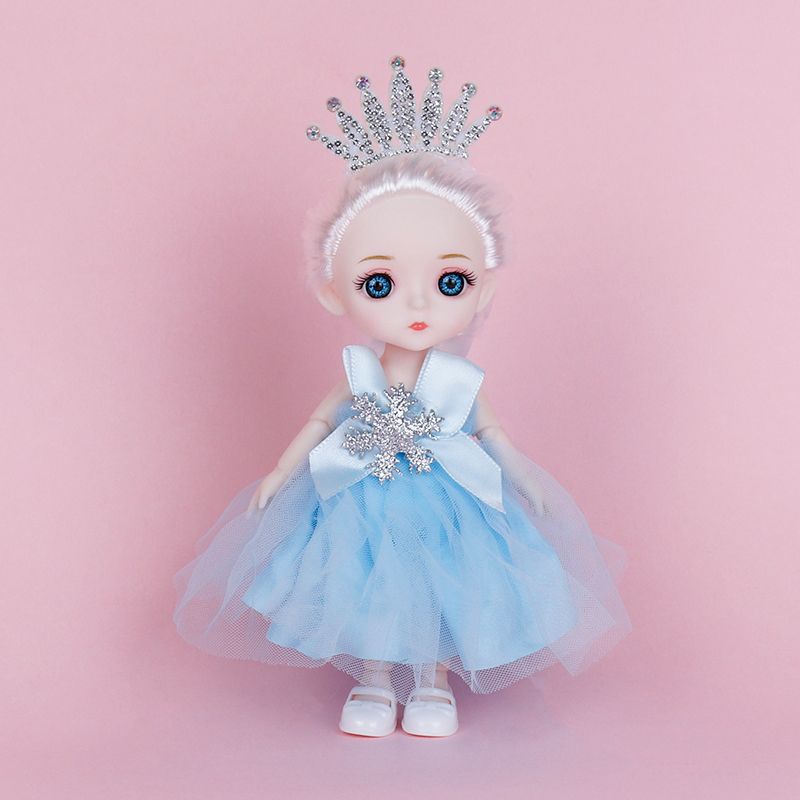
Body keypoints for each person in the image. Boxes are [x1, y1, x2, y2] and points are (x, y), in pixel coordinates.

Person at [172, 57, 632, 738]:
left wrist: (523, 475)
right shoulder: (359, 370)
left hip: (446, 497)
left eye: (450, 282)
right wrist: (281, 471)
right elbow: (321, 419)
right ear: (334, 291)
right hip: (363, 495)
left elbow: (491, 433)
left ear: (483, 286)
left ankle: (432, 684)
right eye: (379, 284)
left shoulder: (456, 381)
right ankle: (375, 681)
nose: (417, 304)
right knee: (370, 585)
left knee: (444, 584)